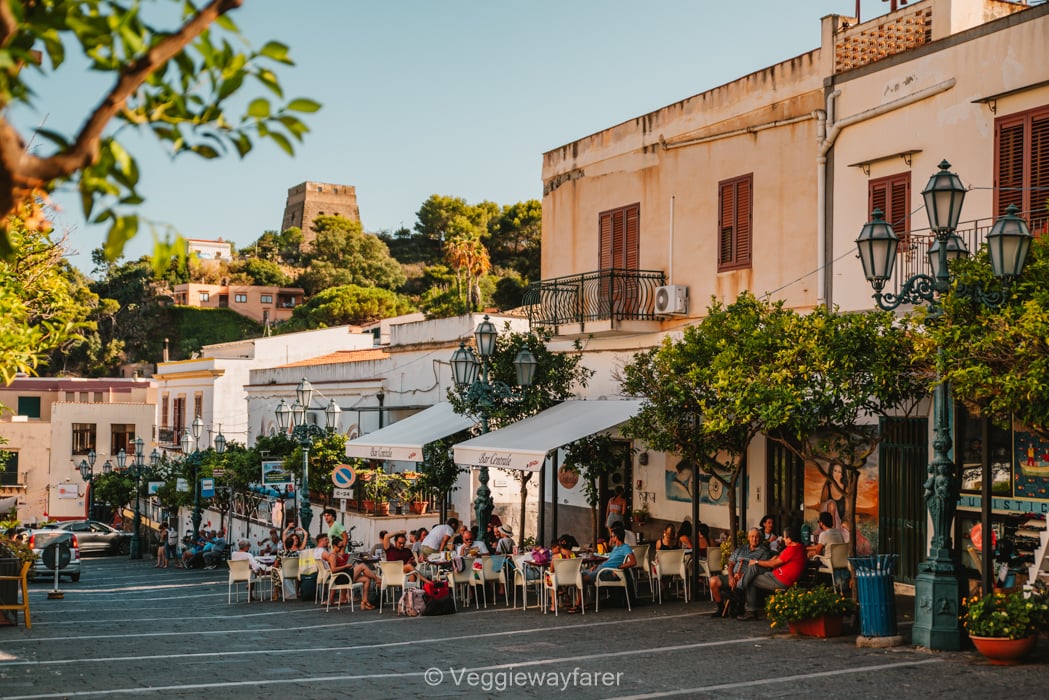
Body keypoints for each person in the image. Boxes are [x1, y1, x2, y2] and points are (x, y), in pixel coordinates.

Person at [737, 526, 806, 620]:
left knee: (752, 577)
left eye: (785, 537)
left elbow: (773, 564)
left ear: (790, 539)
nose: (783, 539)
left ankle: (747, 604)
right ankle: (740, 588)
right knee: (754, 569)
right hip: (775, 575)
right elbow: (778, 559)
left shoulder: (792, 549)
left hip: (781, 581)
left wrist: (756, 561)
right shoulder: (798, 547)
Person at [709, 528, 770, 616]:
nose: (754, 539)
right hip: (733, 575)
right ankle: (721, 608)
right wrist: (730, 577)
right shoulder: (741, 548)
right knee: (713, 581)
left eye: (756, 537)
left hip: (747, 578)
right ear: (748, 538)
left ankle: (737, 603)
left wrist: (742, 576)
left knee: (741, 583)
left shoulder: (763, 551)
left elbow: (762, 568)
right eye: (752, 536)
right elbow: (731, 564)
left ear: (760, 538)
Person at [581, 524, 637, 598]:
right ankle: (582, 603)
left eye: (611, 537)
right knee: (580, 574)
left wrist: (619, 567)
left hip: (607, 572)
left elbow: (633, 562)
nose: (610, 539)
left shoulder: (625, 547)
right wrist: (597, 565)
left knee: (582, 579)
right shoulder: (616, 547)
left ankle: (581, 603)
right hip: (601, 568)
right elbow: (609, 560)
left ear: (616, 537)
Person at [324, 537, 378, 609]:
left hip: (345, 575)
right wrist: (346, 566)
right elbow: (333, 570)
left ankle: (364, 602)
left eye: (342, 546)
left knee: (367, 579)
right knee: (362, 566)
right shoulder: (332, 556)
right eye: (340, 546)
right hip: (341, 577)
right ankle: (377, 579)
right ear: (334, 546)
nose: (341, 548)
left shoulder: (338, 554)